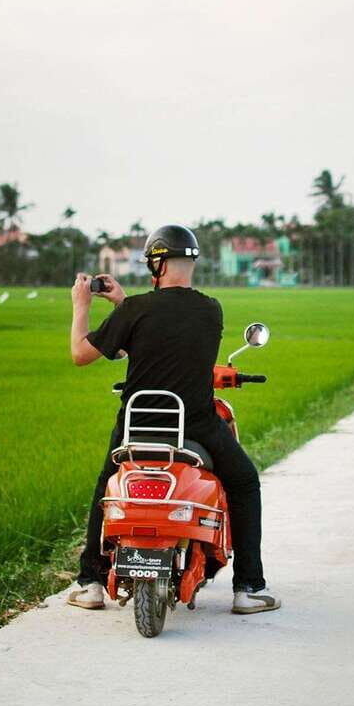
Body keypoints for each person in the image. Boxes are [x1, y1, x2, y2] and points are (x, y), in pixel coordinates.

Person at [66, 224, 281, 615]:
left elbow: (83, 353)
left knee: (106, 489)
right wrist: (124, 303)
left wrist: (82, 305)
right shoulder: (210, 309)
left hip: (137, 425)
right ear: (190, 263)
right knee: (245, 482)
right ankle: (249, 586)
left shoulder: (135, 311)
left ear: (156, 264)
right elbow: (166, 334)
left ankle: (91, 582)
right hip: (194, 425)